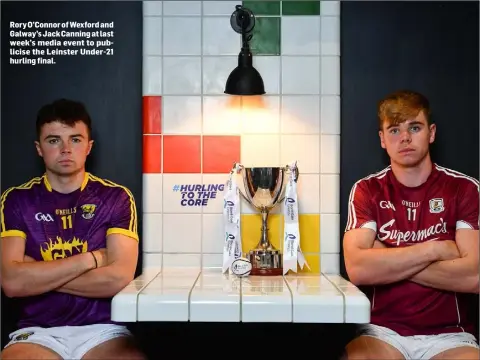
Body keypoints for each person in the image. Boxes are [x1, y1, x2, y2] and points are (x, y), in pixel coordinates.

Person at [1, 99, 145, 359]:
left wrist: (35, 275)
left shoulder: (116, 197)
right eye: (54, 140)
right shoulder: (16, 200)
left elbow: (118, 280)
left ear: (89, 147)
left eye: (75, 139)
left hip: (103, 330)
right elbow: (11, 282)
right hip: (36, 332)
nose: (66, 149)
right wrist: (92, 259)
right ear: (39, 148)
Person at [342, 90, 479, 360]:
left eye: (414, 127)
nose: (404, 138)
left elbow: (474, 277)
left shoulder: (463, 189)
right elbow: (358, 269)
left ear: (431, 132)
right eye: (394, 130)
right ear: (382, 139)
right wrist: (435, 249)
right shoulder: (367, 190)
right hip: (382, 332)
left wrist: (386, 254)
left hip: (451, 336)